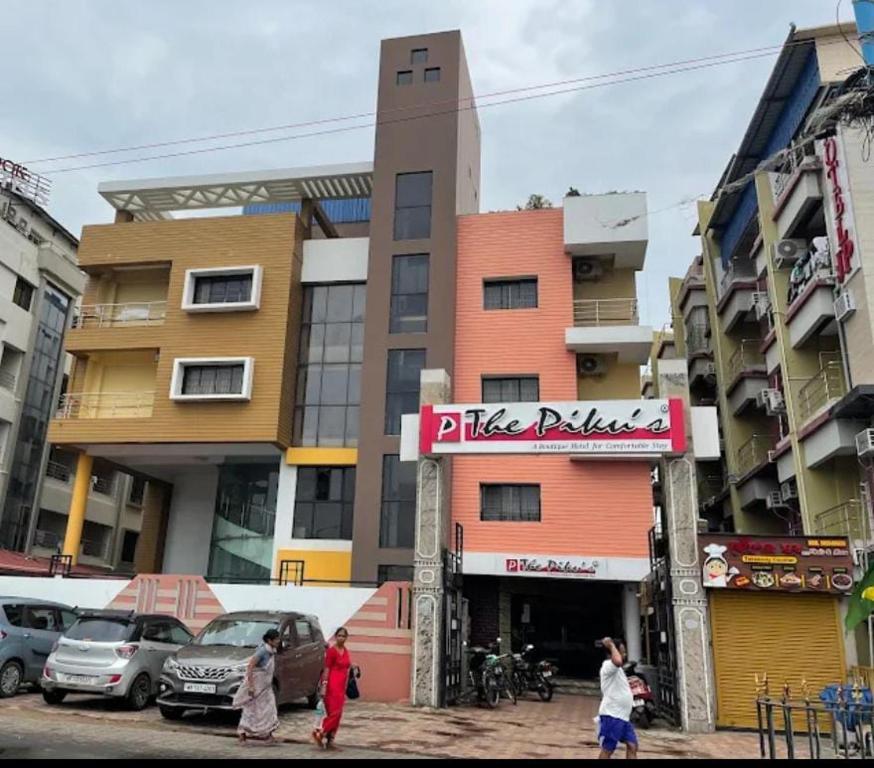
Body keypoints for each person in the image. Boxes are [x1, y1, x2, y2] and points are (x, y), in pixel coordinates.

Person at [232, 628, 281, 746]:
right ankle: (242, 734)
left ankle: (268, 735)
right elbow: (250, 667)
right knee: (251, 710)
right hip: (257, 688)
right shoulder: (262, 651)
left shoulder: (271, 651)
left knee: (269, 710)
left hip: (266, 688)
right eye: (276, 639)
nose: (278, 641)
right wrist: (251, 686)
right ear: (270, 640)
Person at [597, 637, 637, 760]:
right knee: (608, 749)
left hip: (623, 717)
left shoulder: (617, 669)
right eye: (622, 651)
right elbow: (618, 661)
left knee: (632, 745)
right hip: (612, 715)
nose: (624, 654)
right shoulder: (608, 665)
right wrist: (611, 645)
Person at [312, 626, 352, 750]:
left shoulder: (345, 651)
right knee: (335, 713)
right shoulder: (332, 651)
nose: (341, 638)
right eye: (339, 635)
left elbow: (346, 665)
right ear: (335, 637)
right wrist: (324, 685)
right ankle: (321, 732)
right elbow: (327, 668)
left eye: (343, 636)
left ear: (346, 638)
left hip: (341, 686)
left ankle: (330, 740)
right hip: (332, 684)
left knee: (338, 715)